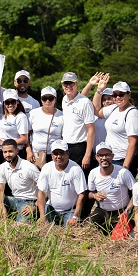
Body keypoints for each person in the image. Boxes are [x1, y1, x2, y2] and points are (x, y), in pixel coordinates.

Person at [60, 72, 96, 219]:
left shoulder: (85, 103)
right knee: (70, 183)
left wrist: (87, 154)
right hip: (67, 147)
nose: (68, 86)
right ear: (62, 86)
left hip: (80, 146)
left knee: (82, 185)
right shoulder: (64, 100)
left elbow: (91, 130)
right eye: (65, 84)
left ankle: (81, 216)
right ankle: (71, 213)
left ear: (76, 84)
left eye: (71, 83)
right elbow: (77, 97)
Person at [93, 77, 138, 174]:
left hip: (122, 160)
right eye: (115, 95)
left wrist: (125, 167)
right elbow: (96, 111)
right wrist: (99, 90)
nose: (118, 97)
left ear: (129, 95)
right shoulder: (114, 108)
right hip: (110, 158)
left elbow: (133, 143)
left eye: (121, 94)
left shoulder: (132, 114)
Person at [0, 139, 40, 223]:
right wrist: (1, 205)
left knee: (21, 226)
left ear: (17, 151)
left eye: (10, 151)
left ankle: (30, 216)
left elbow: (44, 189)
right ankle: (7, 216)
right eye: (5, 152)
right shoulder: (2, 167)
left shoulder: (29, 167)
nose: (7, 155)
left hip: (29, 202)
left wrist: (35, 206)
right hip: (14, 200)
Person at [36, 139, 87, 227]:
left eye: (61, 153)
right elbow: (41, 192)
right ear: (52, 155)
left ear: (68, 153)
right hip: (51, 208)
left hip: (70, 210)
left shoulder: (76, 169)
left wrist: (74, 217)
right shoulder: (46, 168)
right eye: (55, 154)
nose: (58, 156)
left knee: (70, 232)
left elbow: (82, 194)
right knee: (43, 229)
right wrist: (42, 216)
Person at [87, 142, 135, 234]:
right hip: (102, 210)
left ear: (112, 156)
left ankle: (129, 223)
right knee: (91, 228)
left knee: (120, 232)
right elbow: (89, 193)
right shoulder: (93, 173)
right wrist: (95, 196)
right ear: (96, 157)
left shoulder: (123, 172)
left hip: (121, 210)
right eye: (101, 155)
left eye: (107, 155)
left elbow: (136, 192)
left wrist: (127, 211)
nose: (104, 158)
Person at [0, 89, 31, 165]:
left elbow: (24, 139)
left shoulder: (21, 116)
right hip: (0, 153)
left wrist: (3, 143)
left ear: (17, 101)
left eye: (13, 102)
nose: (10, 105)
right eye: (7, 102)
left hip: (14, 153)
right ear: (4, 103)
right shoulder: (1, 114)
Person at [28, 86, 63, 165]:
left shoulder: (62, 116)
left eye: (50, 98)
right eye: (44, 98)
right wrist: (29, 151)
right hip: (35, 155)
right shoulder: (33, 113)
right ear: (41, 100)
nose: (47, 101)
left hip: (55, 156)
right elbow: (27, 134)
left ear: (55, 99)